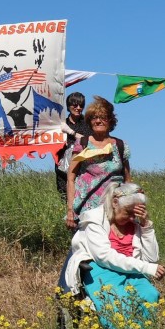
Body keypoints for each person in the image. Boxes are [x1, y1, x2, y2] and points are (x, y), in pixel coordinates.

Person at [60, 182, 163, 329]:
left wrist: (145, 225)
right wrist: (147, 268)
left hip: (132, 272)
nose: (131, 218)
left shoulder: (135, 225)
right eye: (128, 213)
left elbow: (151, 258)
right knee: (118, 307)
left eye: (134, 215)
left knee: (150, 296)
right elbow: (105, 257)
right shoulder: (94, 221)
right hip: (101, 271)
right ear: (115, 202)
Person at [66, 96, 130, 230]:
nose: (98, 121)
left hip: (114, 208)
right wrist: (70, 209)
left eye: (103, 117)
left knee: (112, 247)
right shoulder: (82, 143)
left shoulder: (120, 145)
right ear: (89, 121)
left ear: (110, 121)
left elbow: (128, 181)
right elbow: (71, 178)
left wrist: (130, 206)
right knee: (86, 248)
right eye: (94, 118)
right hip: (86, 209)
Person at [54, 92, 92, 203]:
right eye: (75, 105)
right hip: (62, 168)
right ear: (69, 106)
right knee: (64, 196)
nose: (78, 108)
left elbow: (88, 141)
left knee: (82, 197)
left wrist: (71, 132)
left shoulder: (88, 124)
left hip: (82, 168)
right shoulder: (61, 124)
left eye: (81, 105)